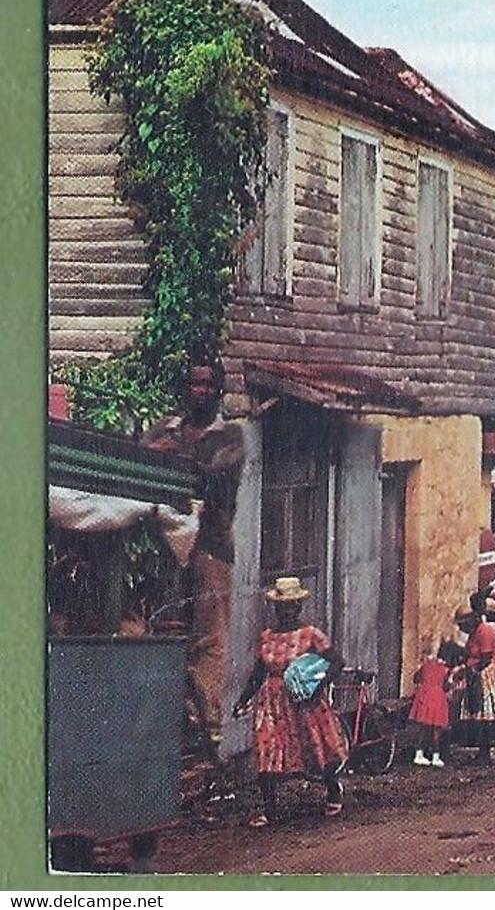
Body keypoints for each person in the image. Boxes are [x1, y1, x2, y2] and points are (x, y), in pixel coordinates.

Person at [142, 352, 245, 758]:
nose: (199, 390)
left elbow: (215, 476)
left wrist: (172, 456)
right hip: (165, 545)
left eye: (207, 383)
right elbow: (140, 458)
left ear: (218, 389)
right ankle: (176, 724)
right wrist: (157, 452)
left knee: (209, 639)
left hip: (211, 548)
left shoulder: (229, 437)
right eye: (194, 383)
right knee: (165, 628)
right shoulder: (167, 427)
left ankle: (210, 729)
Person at [230, 577, 346, 827]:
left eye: (292, 605)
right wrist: (243, 699)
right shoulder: (267, 638)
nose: (287, 611)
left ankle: (333, 790)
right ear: (276, 608)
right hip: (271, 702)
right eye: (282, 606)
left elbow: (337, 662)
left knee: (316, 748)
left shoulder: (310, 635)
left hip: (302, 700)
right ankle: (270, 808)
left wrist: (318, 685)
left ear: (299, 607)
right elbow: (259, 671)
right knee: (266, 748)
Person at [457, 599, 495, 765]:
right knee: (479, 715)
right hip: (477, 673)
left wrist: (473, 671)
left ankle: (485, 752)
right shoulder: (476, 632)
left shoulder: (484, 631)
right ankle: (483, 751)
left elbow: (486, 657)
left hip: (485, 676)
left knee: (485, 715)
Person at [408, 638, 455, 767]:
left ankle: (419, 754)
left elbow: (416, 679)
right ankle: (436, 757)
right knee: (436, 730)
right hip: (438, 698)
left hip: (424, 696)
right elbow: (446, 686)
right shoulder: (445, 670)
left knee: (423, 729)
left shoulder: (427, 664)